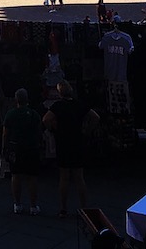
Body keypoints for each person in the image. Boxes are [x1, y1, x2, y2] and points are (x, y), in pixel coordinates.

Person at [42, 81, 99, 218]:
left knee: (64, 177)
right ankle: (84, 207)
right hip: (77, 141)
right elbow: (95, 117)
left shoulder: (58, 106)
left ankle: (63, 208)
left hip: (63, 142)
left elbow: (45, 119)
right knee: (79, 177)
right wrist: (87, 130)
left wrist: (53, 129)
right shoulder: (79, 104)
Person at [3, 88, 42, 216]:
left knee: (16, 176)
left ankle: (17, 204)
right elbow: (39, 131)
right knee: (32, 177)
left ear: (16, 100)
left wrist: (5, 148)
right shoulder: (34, 114)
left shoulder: (10, 114)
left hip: (16, 148)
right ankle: (33, 205)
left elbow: (5, 134)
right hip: (31, 148)